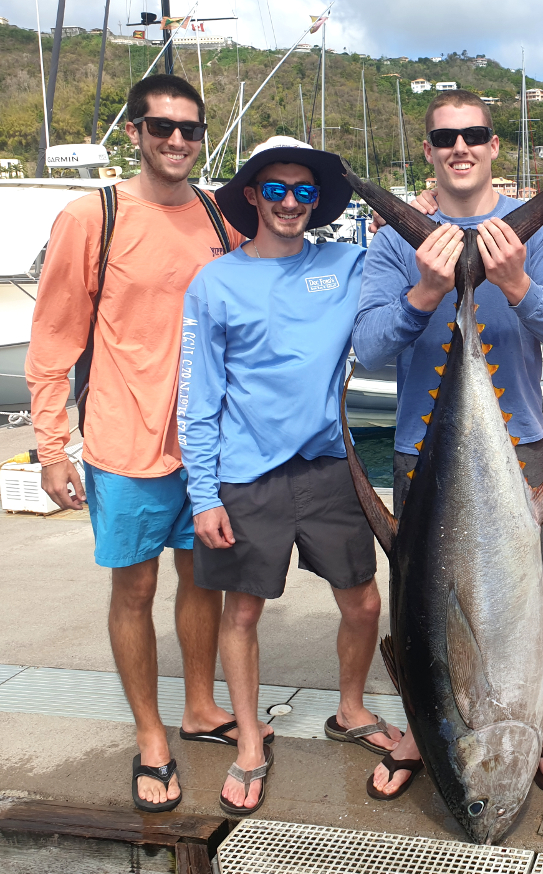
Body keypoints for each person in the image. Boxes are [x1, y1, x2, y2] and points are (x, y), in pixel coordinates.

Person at [24, 74, 263, 812]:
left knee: (201, 580)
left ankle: (198, 707)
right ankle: (151, 733)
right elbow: (54, 335)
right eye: (162, 126)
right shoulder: (91, 215)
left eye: (191, 128)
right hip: (122, 443)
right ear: (134, 132)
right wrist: (53, 445)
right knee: (134, 588)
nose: (178, 141)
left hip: (208, 450)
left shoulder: (223, 221)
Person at [353, 90, 543, 798]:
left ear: (492, 146)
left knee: (524, 587)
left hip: (514, 440)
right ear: (428, 149)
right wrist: (425, 292)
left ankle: (536, 714)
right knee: (420, 597)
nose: (460, 148)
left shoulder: (537, 236)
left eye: (474, 135)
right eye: (445, 138)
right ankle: (427, 721)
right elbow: (368, 346)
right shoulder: (396, 240)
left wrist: (515, 284)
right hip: (425, 449)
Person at [180, 137, 402, 815]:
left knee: (363, 603)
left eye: (303, 192)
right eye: (274, 189)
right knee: (243, 612)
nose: (288, 202)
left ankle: (352, 707)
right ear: (251, 196)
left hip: (333, 465)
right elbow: (198, 398)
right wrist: (203, 495)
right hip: (247, 475)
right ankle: (250, 739)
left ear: (317, 202)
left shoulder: (348, 263)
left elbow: (411, 273)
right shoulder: (214, 281)